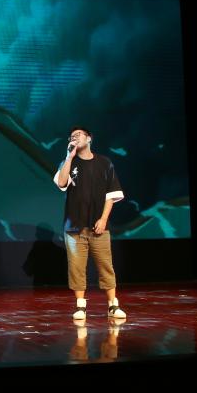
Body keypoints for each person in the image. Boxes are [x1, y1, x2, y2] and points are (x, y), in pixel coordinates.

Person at [53, 126, 127, 321]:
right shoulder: (68, 162)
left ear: (89, 138)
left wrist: (103, 219)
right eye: (72, 136)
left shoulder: (104, 162)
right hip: (74, 227)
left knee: (105, 266)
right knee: (76, 268)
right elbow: (61, 183)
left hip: (99, 226)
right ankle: (80, 306)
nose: (74, 138)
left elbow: (111, 195)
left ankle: (113, 305)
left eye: (78, 135)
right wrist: (69, 157)